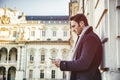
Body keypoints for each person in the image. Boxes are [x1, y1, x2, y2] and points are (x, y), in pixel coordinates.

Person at [52, 13, 102, 80]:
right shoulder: (85, 37)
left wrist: (62, 64)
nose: (72, 30)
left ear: (81, 23)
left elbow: (83, 63)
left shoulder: (90, 38)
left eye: (73, 26)